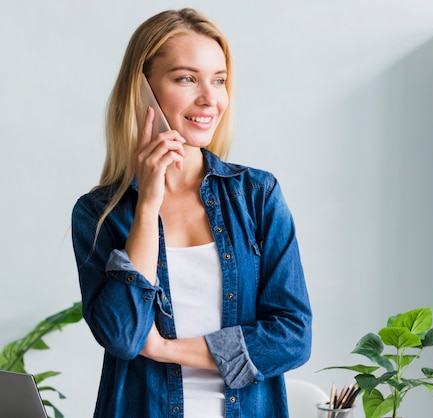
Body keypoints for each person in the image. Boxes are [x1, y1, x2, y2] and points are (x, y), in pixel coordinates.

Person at [71, 8, 312, 418]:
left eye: (219, 80)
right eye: (187, 78)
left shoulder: (257, 195)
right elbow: (124, 337)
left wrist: (165, 349)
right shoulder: (98, 213)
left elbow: (292, 337)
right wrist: (147, 205)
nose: (210, 99)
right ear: (143, 89)